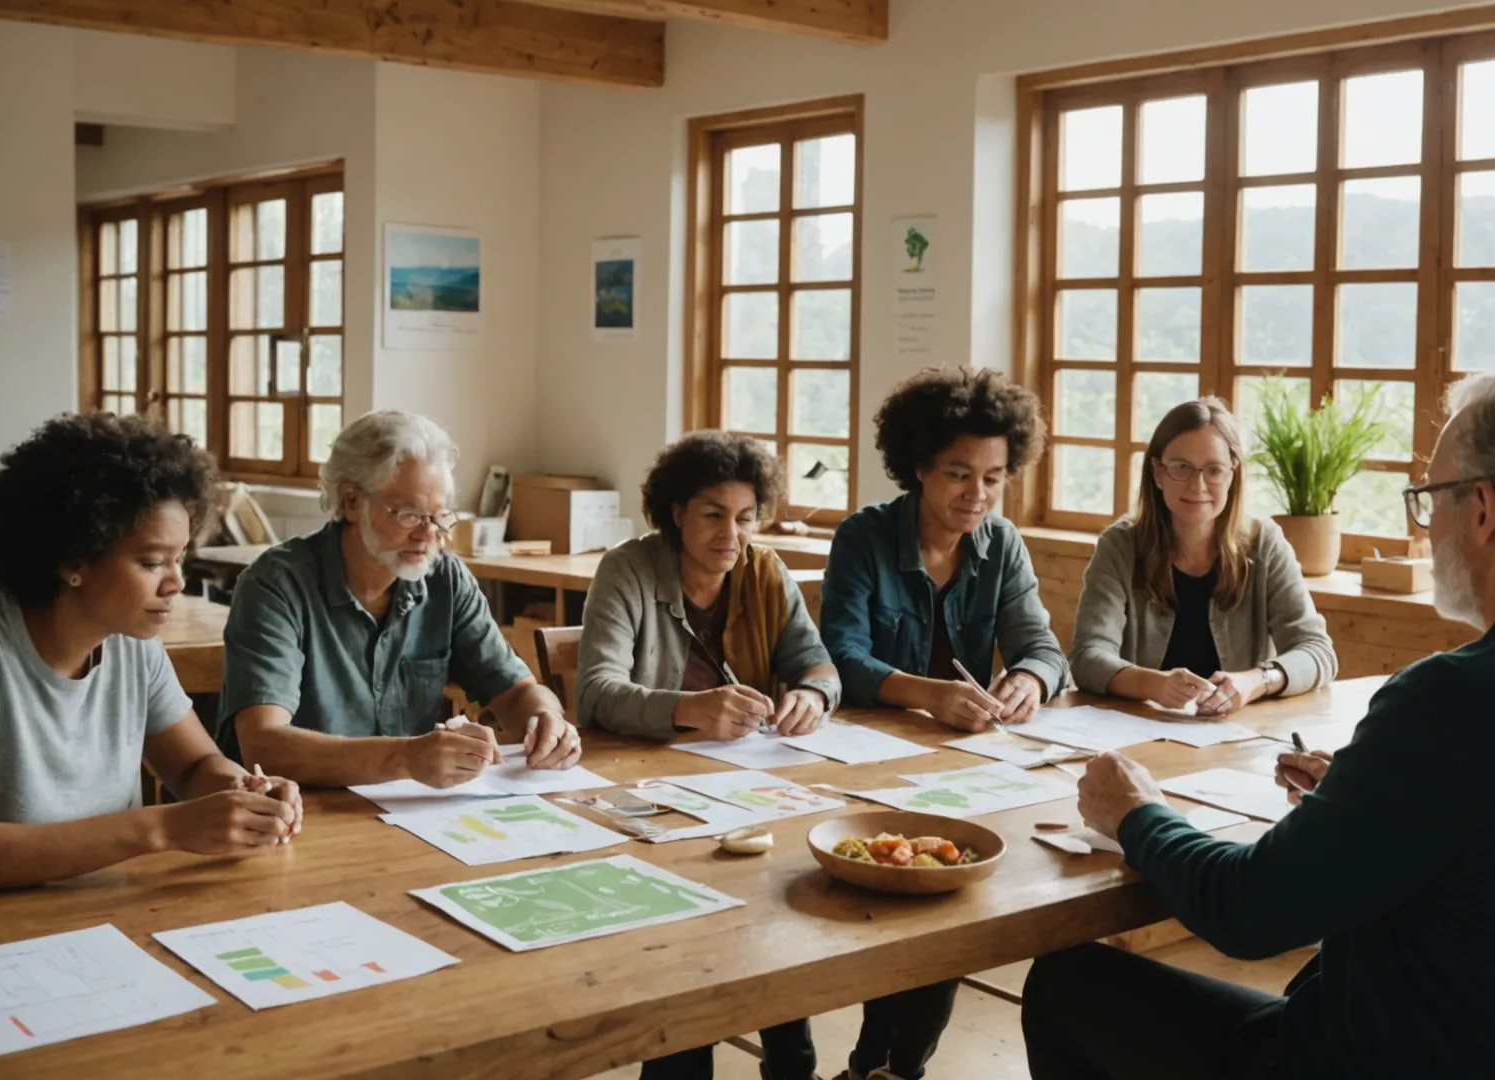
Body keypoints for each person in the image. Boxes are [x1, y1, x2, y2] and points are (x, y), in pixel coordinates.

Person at [1026, 357, 1495, 1079]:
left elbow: (1246, 912)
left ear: (1484, 510)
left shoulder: (1457, 699)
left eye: (1431, 498)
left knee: (1062, 985)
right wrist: (1369, 793)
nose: (1427, 524)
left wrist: (1135, 813)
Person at [0, 414, 302, 898]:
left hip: (104, 914)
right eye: (152, 562)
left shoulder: (133, 644)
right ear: (73, 559)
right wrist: (162, 829)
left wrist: (245, 792)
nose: (175, 582)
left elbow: (194, 767)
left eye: (179, 559)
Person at [819, 365, 1069, 1080]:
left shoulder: (1004, 545)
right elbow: (839, 654)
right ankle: (879, 1063)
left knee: (950, 898)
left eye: (994, 477)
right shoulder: (864, 537)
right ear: (919, 466)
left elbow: (1045, 648)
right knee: (908, 898)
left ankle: (891, 1067)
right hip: (858, 764)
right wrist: (925, 694)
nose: (978, 495)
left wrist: (1028, 678)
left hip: (962, 769)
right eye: (960, 474)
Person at [576, 431, 839, 1080]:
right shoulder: (629, 569)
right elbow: (596, 694)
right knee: (688, 938)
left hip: (747, 791)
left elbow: (820, 666)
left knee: (779, 906)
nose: (732, 534)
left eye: (747, 518)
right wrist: (688, 708)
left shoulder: (765, 571)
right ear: (676, 513)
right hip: (646, 798)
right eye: (714, 515)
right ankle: (683, 1060)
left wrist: (811, 693)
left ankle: (790, 1053)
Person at [218, 411, 579, 788]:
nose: (428, 535)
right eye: (409, 515)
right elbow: (264, 745)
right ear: (352, 501)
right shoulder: (276, 585)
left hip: (406, 812)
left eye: (439, 517)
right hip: (296, 813)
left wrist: (546, 718)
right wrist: (406, 757)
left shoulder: (446, 579)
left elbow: (516, 691)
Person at [1071, 398, 1335, 716]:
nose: (1198, 485)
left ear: (1231, 475)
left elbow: (1317, 652)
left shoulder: (1265, 543)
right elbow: (1087, 657)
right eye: (1181, 468)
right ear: (1158, 474)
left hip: (1238, 737)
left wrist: (1256, 681)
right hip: (1135, 732)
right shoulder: (1120, 545)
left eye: (1213, 470)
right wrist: (1154, 685)